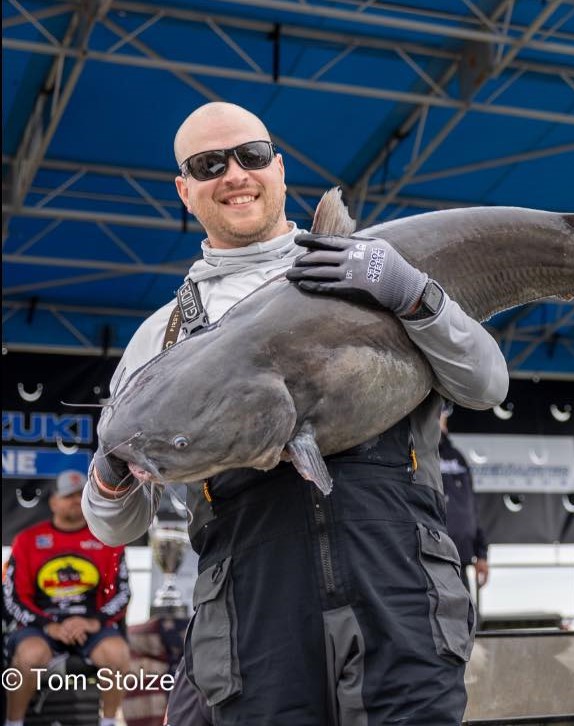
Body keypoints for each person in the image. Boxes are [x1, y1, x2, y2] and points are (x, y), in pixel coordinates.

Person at [81, 102, 508, 724]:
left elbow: (487, 385)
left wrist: (418, 296)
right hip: (252, 617)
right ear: (184, 189)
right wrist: (109, 474)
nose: (235, 174)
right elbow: (116, 528)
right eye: (208, 164)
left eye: (251, 156)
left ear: (278, 168)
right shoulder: (158, 339)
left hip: (401, 590)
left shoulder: (376, 271)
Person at [4, 471, 132, 726]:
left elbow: (122, 592)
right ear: (53, 502)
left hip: (91, 627)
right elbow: (13, 598)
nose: (75, 501)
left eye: (80, 495)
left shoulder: (109, 540)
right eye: (68, 495)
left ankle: (108, 723)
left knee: (117, 652)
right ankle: (13, 723)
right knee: (30, 655)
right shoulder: (27, 541)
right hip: (40, 626)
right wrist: (48, 625)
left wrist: (93, 622)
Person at [440, 403, 490, 591]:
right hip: (429, 559)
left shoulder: (458, 457)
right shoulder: (416, 452)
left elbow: (472, 508)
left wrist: (482, 554)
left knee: (466, 618)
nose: (441, 417)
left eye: (444, 412)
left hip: (461, 559)